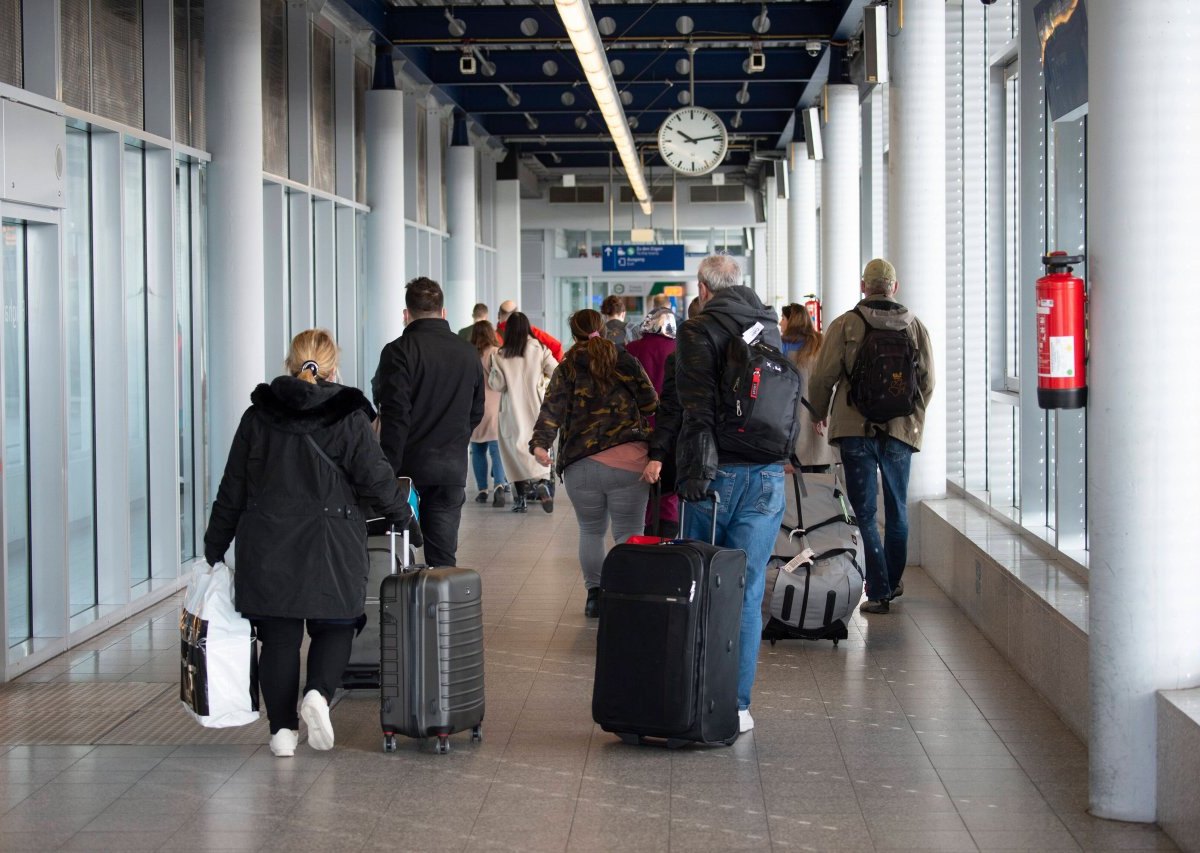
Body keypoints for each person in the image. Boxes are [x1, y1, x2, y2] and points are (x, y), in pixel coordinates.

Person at [204, 329, 417, 758]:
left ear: (290, 362)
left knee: (279, 638)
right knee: (335, 624)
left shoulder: (257, 416)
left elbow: (233, 486)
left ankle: (282, 733)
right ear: (333, 366)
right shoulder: (348, 414)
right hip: (331, 540)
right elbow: (375, 476)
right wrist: (402, 515)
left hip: (267, 543)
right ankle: (318, 694)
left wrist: (215, 545)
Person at [674, 254, 788, 735]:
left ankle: (692, 694)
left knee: (698, 582)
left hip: (716, 473)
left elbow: (695, 408)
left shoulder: (697, 329)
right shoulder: (769, 324)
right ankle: (737, 706)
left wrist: (690, 471)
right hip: (767, 473)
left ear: (703, 288)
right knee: (747, 589)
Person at [807, 258, 936, 614]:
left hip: (854, 428)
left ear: (864, 287)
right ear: (894, 287)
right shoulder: (915, 328)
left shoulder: (847, 324)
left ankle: (878, 589)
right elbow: (928, 381)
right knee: (897, 510)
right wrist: (909, 414)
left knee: (864, 511)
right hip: (899, 431)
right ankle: (893, 582)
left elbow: (822, 377)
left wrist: (819, 412)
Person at [530, 309, 658, 617]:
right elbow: (651, 401)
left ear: (573, 334)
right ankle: (627, 595)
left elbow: (552, 408)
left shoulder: (568, 366)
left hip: (580, 464)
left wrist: (540, 445)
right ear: (602, 329)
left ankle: (595, 596)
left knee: (590, 531)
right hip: (630, 462)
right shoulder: (624, 360)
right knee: (628, 532)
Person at [372, 277, 484, 567]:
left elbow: (396, 416)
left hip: (406, 470)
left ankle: (405, 609)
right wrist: (455, 438)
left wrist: (387, 469)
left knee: (397, 550)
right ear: (443, 312)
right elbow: (476, 410)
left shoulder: (398, 352)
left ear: (406, 314)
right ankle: (443, 609)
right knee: (443, 557)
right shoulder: (468, 353)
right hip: (450, 467)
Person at [488, 311, 558, 512]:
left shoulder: (500, 355)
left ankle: (521, 501)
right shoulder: (540, 349)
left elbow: (497, 385)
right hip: (536, 407)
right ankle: (541, 483)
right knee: (537, 445)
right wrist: (542, 384)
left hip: (512, 410)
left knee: (513, 451)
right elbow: (556, 371)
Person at [626, 307, 679, 537]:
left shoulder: (631, 350)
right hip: (669, 432)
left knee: (638, 493)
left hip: (633, 432)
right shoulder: (678, 352)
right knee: (668, 495)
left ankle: (640, 545)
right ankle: (666, 546)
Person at [782, 305, 835, 470]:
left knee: (801, 473)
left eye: (783, 318)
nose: (780, 322)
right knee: (821, 471)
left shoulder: (783, 346)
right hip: (821, 412)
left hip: (795, 415)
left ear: (792, 320)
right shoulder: (821, 341)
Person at [469, 320, 508, 507]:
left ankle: (483, 490)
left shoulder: (469, 354)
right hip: (495, 404)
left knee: (477, 450)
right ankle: (500, 485)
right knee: (496, 448)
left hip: (475, 405)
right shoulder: (497, 352)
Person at [498, 299, 564, 362]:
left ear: (499, 315)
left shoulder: (492, 336)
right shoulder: (532, 331)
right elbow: (557, 347)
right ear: (518, 314)